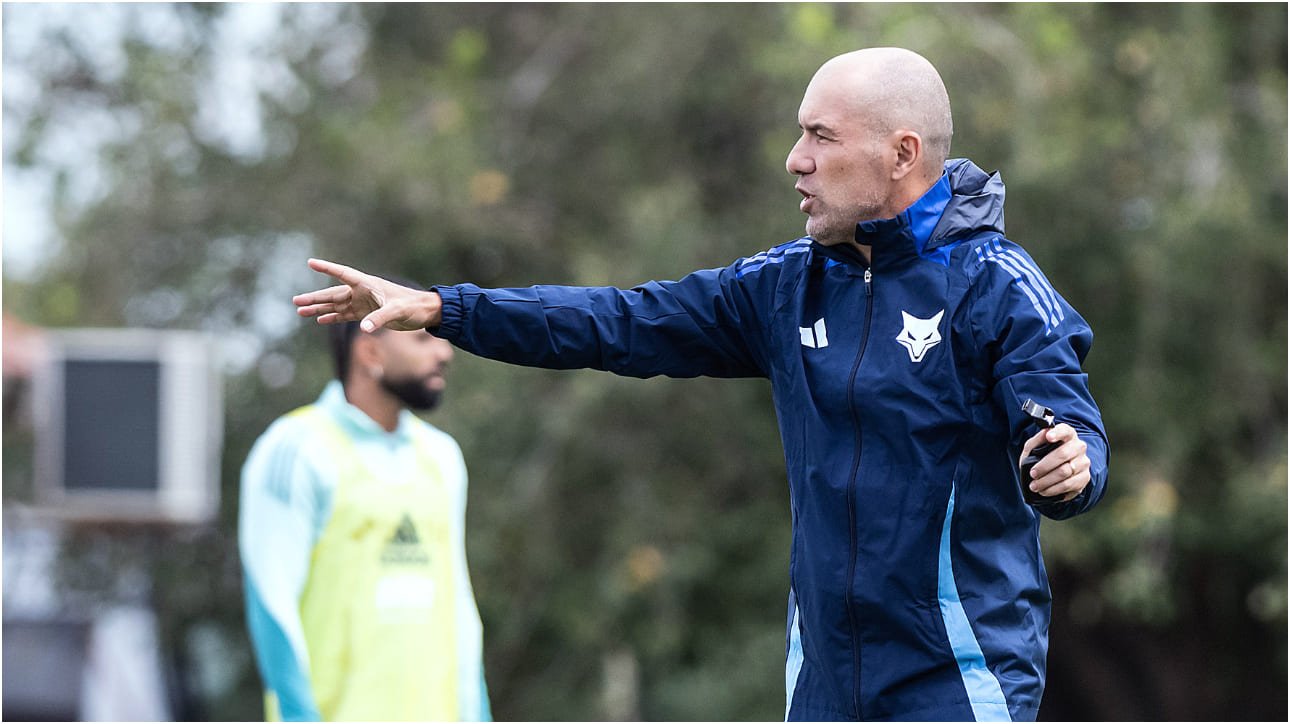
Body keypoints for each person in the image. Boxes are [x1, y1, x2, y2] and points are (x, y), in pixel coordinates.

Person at [292, 47, 1108, 722]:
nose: (796, 160)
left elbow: (1067, 429)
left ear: (902, 154)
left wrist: (1073, 466)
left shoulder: (995, 285)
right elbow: (619, 321)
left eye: (821, 137)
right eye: (800, 135)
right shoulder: (786, 286)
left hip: (956, 686)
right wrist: (443, 307)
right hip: (823, 687)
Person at [238, 308, 491, 721]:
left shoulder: (442, 456)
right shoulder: (297, 448)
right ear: (370, 353)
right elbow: (272, 603)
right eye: (423, 339)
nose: (445, 352)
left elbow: (460, 607)